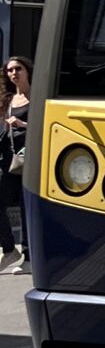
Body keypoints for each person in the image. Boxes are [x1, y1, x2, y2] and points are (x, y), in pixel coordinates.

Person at [0, 55, 29, 270]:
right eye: (10, 70)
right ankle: (9, 249)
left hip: (31, 157)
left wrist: (23, 123)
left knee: (26, 206)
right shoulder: (8, 100)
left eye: (18, 69)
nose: (14, 73)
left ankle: (28, 258)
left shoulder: (37, 98)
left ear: (27, 71)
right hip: (10, 160)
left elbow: (46, 125)